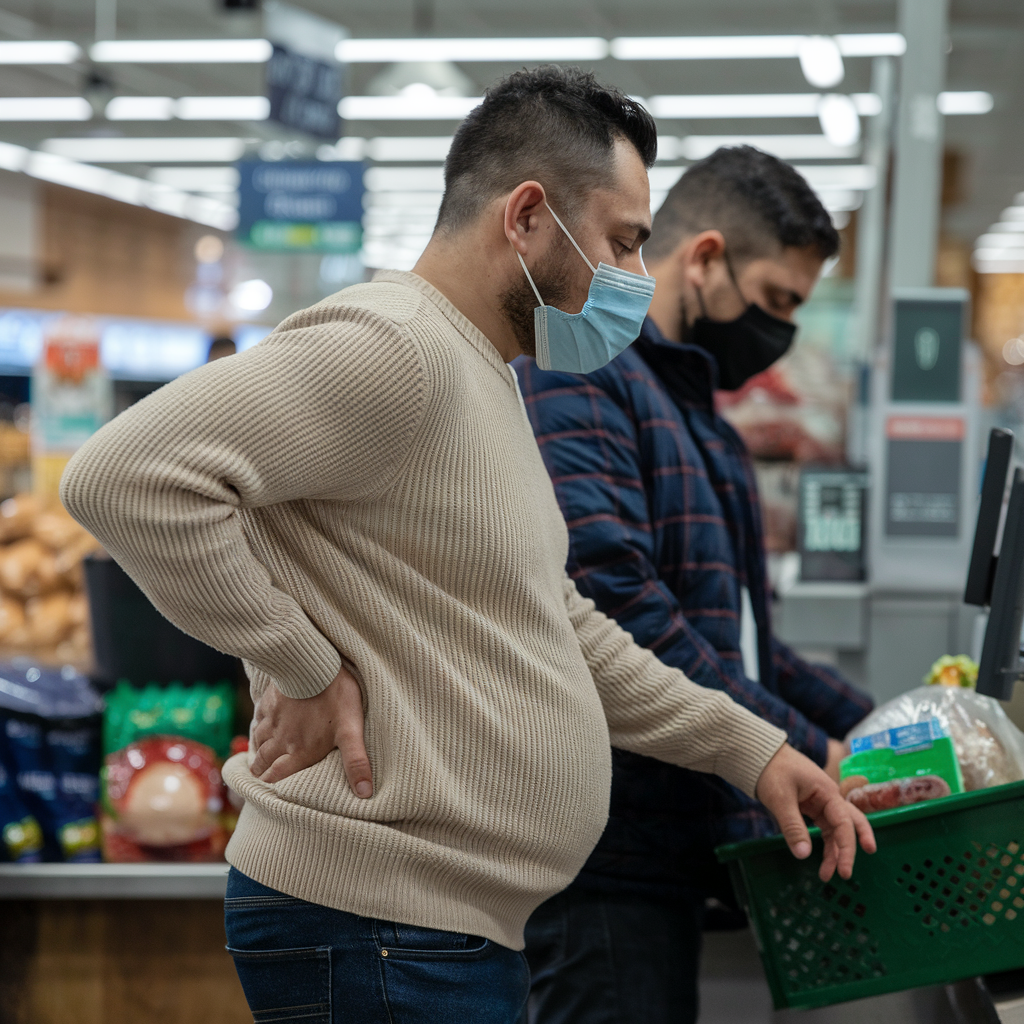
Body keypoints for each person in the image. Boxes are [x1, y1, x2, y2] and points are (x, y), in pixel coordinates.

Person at [59, 74, 873, 1024]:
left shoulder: (483, 371)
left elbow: (560, 622)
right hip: (379, 922)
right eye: (620, 242)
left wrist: (753, 749)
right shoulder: (392, 346)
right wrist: (301, 661)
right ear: (528, 215)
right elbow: (123, 476)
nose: (635, 279)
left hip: (435, 925)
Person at [515, 145, 875, 1024]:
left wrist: (873, 731)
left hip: (670, 841)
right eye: (778, 300)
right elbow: (620, 612)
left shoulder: (693, 412)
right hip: (603, 856)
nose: (781, 329)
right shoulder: (586, 377)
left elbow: (745, 640)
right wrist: (806, 753)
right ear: (705, 258)